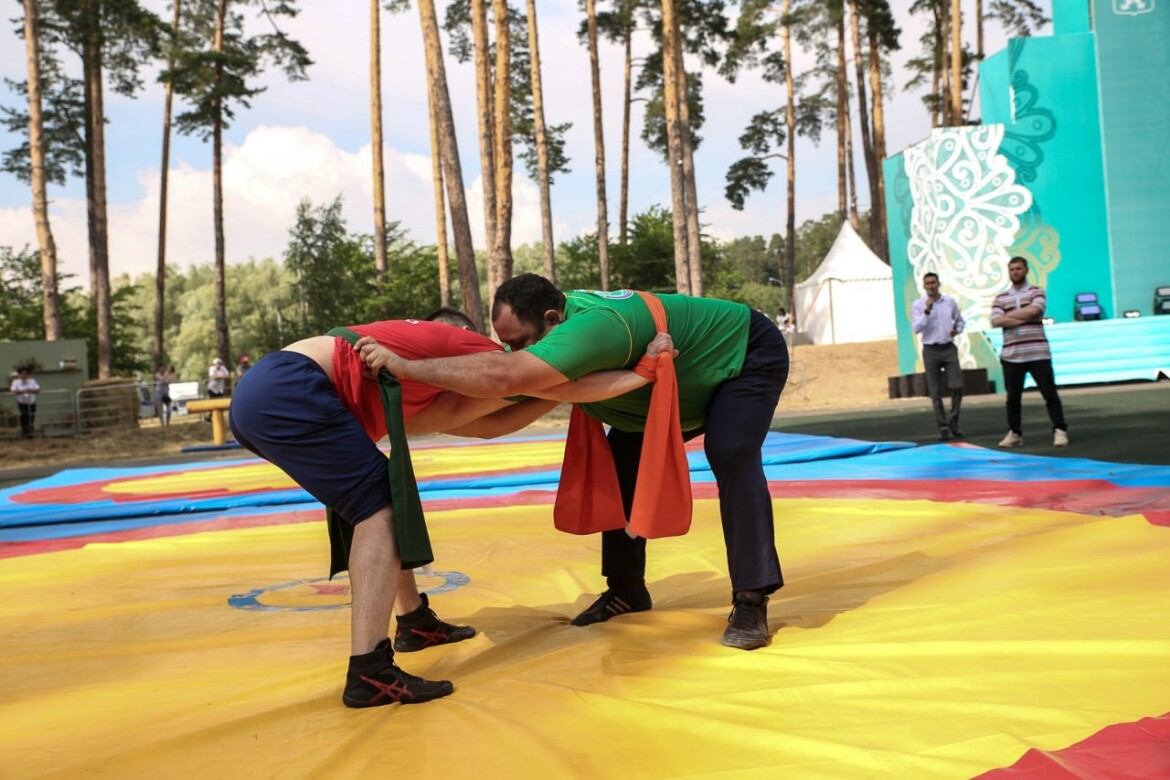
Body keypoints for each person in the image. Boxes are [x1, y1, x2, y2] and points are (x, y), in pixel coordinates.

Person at [229, 308, 668, 708]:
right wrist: (641, 372)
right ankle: (370, 671)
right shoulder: (464, 346)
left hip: (262, 398)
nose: (506, 352)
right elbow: (528, 375)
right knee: (380, 509)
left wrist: (560, 392)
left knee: (379, 498)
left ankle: (414, 622)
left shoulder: (417, 388)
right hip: (289, 386)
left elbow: (487, 424)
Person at [358, 274, 791, 651]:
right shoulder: (555, 346)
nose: (513, 353)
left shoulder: (592, 329)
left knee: (731, 450)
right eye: (506, 345)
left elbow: (501, 378)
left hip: (743, 354)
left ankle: (751, 599)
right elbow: (484, 419)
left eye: (521, 343)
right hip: (680, 381)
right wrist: (378, 420)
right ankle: (626, 591)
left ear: (552, 320)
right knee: (622, 457)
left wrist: (406, 367)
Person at [990, 256, 1069, 447]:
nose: (1015, 272)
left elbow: (1035, 311)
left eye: (1018, 268)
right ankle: (1015, 433)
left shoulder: (1037, 291)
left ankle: (1060, 430)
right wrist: (1024, 317)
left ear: (1026, 270)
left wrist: (1009, 317)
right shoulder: (1001, 298)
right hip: (1011, 355)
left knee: (1049, 394)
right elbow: (995, 321)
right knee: (1013, 398)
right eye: (1012, 269)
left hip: (1038, 353)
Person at [910, 272, 966, 440]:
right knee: (935, 392)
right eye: (927, 283)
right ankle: (943, 427)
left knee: (957, 386)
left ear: (938, 284)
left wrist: (958, 329)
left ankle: (954, 420)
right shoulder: (919, 305)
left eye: (933, 282)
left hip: (948, 348)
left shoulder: (949, 302)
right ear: (924, 286)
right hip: (930, 350)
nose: (931, 286)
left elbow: (960, 320)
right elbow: (916, 328)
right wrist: (927, 311)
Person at [10, 367, 41, 439]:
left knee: (31, 417)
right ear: (19, 374)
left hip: (31, 402)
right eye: (22, 374)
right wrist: (24, 391)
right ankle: (24, 430)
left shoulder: (32, 381)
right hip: (22, 402)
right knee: (24, 415)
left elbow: (38, 389)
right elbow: (13, 391)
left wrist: (31, 390)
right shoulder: (16, 382)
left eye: (26, 374)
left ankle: (30, 432)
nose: (24, 375)